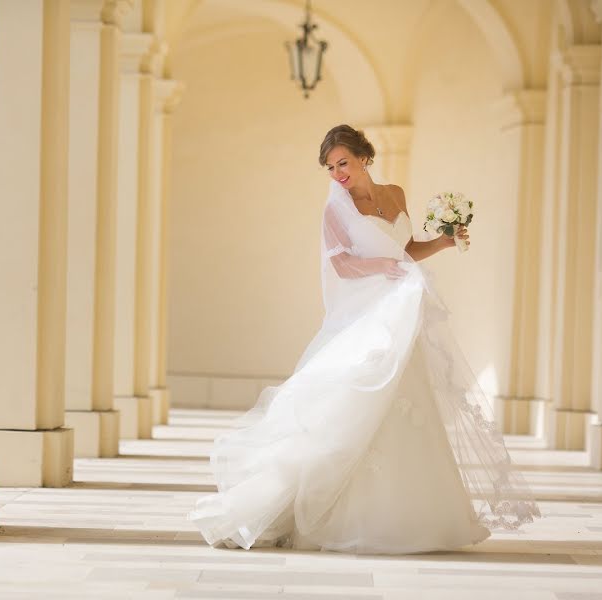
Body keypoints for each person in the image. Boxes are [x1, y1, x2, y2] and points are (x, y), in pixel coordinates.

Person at [188, 124, 540, 553]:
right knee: (359, 396)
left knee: (408, 396)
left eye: (344, 163)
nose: (338, 174)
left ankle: (416, 513)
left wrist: (444, 243)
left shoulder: (395, 194)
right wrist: (384, 270)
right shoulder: (336, 210)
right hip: (368, 313)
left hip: (403, 307)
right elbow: (343, 266)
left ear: (364, 158)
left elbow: (405, 248)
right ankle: (341, 512)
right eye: (331, 167)